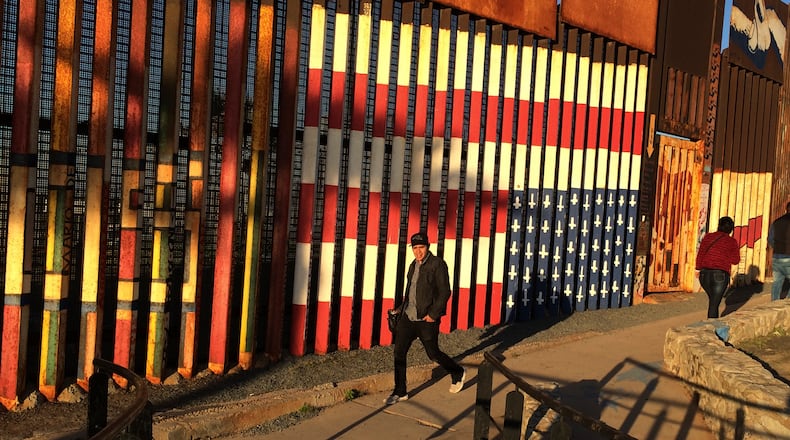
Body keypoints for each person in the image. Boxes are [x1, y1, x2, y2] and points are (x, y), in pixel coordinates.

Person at [384, 231, 466, 405]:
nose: (418, 251)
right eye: (415, 248)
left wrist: (433, 315)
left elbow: (445, 291)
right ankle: (400, 391)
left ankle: (457, 371)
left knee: (433, 354)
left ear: (428, 247)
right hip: (409, 316)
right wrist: (400, 309)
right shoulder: (413, 265)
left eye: (421, 247)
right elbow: (410, 293)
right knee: (399, 352)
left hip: (426, 318)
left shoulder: (437, 264)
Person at [695, 216, 741, 318]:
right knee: (714, 304)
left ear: (719, 225)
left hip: (704, 274)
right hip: (720, 275)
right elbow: (735, 260)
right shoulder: (731, 242)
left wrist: (697, 269)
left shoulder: (708, 237)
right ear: (731, 229)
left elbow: (701, 254)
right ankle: (712, 327)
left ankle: (712, 324)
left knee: (713, 302)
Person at [768, 201, 790, 301]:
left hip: (777, 256)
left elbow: (770, 239)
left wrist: (776, 247)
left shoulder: (776, 222)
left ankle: (773, 304)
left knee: (777, 283)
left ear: (786, 209)